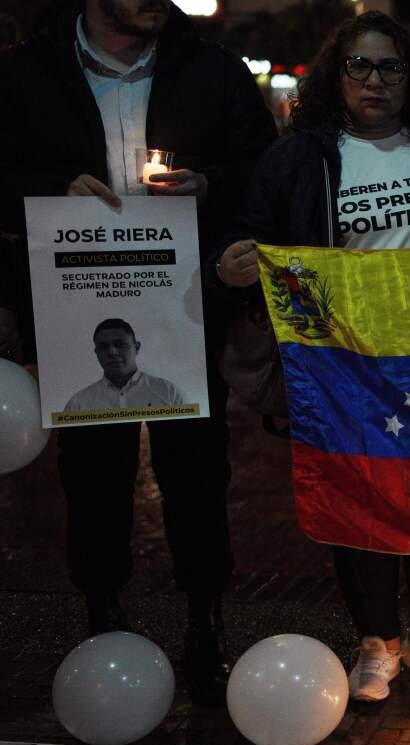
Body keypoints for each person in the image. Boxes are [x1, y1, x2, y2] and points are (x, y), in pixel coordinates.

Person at [0, 0, 276, 705]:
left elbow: (261, 163)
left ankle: (205, 622)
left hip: (184, 305)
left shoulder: (212, 69)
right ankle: (102, 614)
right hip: (75, 307)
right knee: (92, 473)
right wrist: (50, 193)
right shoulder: (29, 73)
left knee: (198, 470)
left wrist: (208, 185)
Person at [215, 11, 410, 702]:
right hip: (342, 363)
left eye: (389, 67)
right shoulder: (299, 156)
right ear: (337, 75)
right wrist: (233, 262)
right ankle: (377, 644)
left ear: (409, 78)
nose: (374, 80)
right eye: (359, 66)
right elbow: (251, 232)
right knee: (357, 497)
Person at [64, 318, 186, 411]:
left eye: (120, 344)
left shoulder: (169, 393)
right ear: (96, 352)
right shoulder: (78, 404)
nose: (112, 352)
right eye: (104, 346)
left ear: (136, 348)